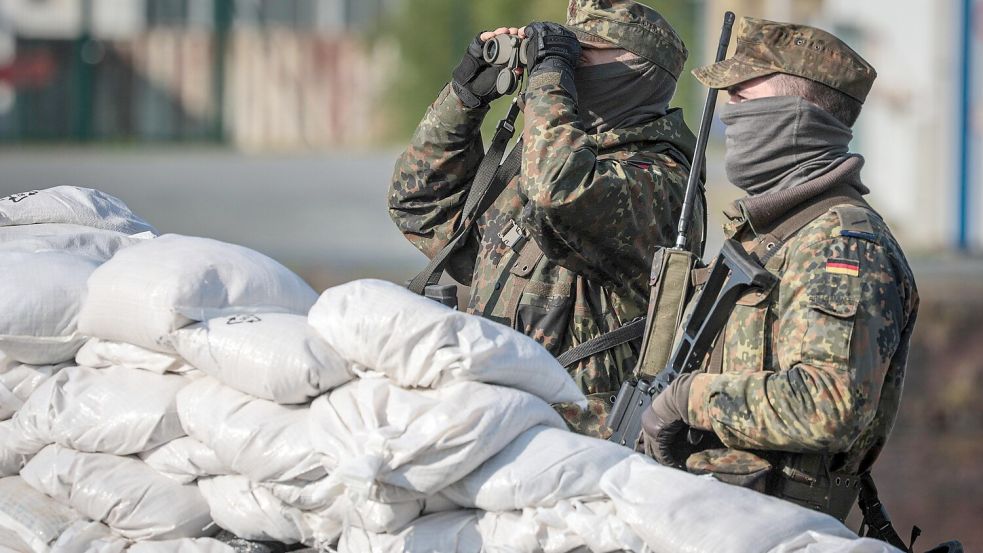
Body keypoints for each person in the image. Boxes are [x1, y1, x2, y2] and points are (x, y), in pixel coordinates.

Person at [640, 17, 918, 521]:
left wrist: (688, 399)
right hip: (717, 515)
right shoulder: (771, 234)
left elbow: (829, 405)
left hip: (774, 525)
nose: (729, 115)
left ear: (795, 114)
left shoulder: (842, 244)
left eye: (743, 99)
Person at [389, 0, 705, 436]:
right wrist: (464, 99)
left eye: (583, 55)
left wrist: (549, 77)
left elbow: (557, 191)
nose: (570, 70)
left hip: (579, 439)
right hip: (496, 418)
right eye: (565, 56)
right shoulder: (547, 160)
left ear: (638, 71)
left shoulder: (659, 181)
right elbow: (418, 205)